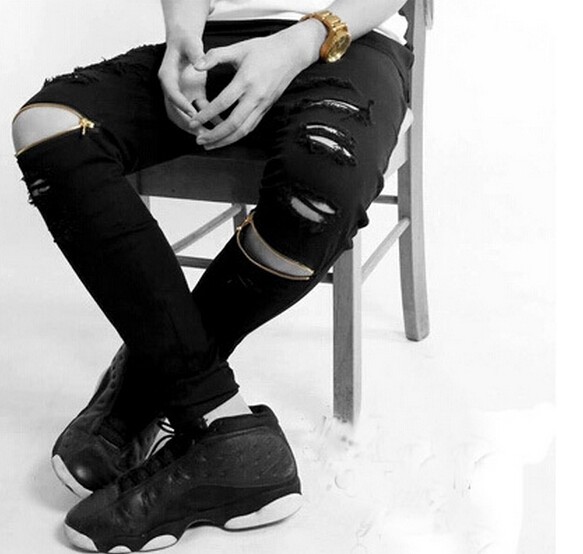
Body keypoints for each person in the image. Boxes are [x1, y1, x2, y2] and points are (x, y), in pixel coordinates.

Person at [12, 0, 412, 551]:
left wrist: (300, 42)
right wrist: (181, 38)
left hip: (349, 46)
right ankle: (223, 425)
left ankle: (148, 380)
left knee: (318, 194)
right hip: (214, 48)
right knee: (49, 126)